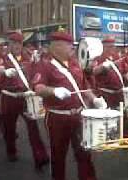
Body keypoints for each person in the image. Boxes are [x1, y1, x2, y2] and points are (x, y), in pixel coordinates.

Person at [33, 29, 104, 180]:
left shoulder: (74, 63)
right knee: (58, 156)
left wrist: (94, 99)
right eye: (69, 45)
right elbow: (38, 88)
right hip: (58, 118)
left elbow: (84, 87)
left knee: (84, 153)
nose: (73, 48)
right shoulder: (44, 65)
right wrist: (53, 91)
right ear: (57, 46)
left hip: (78, 116)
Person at [0, 32, 49, 170]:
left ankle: (40, 157)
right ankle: (11, 151)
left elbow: (36, 75)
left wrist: (35, 85)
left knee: (33, 128)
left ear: (22, 44)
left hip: (26, 97)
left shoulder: (28, 58)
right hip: (9, 98)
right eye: (13, 43)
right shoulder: (3, 58)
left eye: (19, 43)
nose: (16, 46)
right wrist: (4, 72)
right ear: (9, 44)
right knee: (9, 128)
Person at [91, 36, 128, 140]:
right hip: (106, 93)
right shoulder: (98, 58)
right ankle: (106, 138)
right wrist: (103, 67)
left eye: (113, 46)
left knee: (123, 116)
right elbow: (93, 71)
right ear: (103, 47)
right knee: (106, 116)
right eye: (109, 46)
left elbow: (125, 71)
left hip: (118, 93)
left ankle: (127, 138)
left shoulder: (116, 57)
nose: (111, 48)